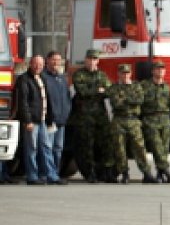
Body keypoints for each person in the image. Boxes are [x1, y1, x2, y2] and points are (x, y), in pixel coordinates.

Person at [107, 64, 158, 184]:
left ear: (130, 74)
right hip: (119, 120)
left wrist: (123, 98)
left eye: (127, 73)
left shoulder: (137, 86)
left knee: (139, 147)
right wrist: (130, 98)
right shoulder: (114, 88)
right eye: (122, 73)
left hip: (133, 120)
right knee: (120, 149)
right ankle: (124, 174)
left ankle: (147, 173)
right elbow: (115, 103)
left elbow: (139, 100)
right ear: (118, 74)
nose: (125, 76)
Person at [16, 55, 62, 185]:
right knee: (32, 148)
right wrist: (27, 121)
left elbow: (47, 99)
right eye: (36, 64)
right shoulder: (24, 80)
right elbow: (23, 102)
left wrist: (50, 118)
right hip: (32, 121)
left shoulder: (42, 78)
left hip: (42, 120)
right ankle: (32, 176)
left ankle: (52, 176)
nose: (38, 67)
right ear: (30, 64)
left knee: (46, 147)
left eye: (41, 64)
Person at [72, 49, 114, 183]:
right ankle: (89, 172)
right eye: (89, 59)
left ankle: (107, 171)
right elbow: (82, 92)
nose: (92, 61)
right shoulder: (79, 74)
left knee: (106, 142)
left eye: (94, 59)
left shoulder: (101, 74)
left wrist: (98, 91)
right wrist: (98, 90)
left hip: (100, 113)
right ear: (85, 60)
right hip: (85, 114)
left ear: (98, 61)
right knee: (87, 144)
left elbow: (109, 91)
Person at [141, 61, 170, 183]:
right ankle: (166, 170)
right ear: (152, 71)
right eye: (157, 69)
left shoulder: (167, 87)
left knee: (165, 148)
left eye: (162, 69)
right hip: (150, 119)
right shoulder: (145, 86)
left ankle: (160, 174)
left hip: (164, 119)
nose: (160, 71)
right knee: (157, 146)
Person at [42, 50, 72, 183]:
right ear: (47, 60)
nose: (56, 63)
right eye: (53, 60)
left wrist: (67, 113)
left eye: (58, 60)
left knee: (58, 149)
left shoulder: (61, 78)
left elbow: (66, 97)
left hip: (61, 121)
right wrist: (48, 116)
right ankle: (47, 174)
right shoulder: (43, 77)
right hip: (50, 120)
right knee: (47, 147)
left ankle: (55, 173)